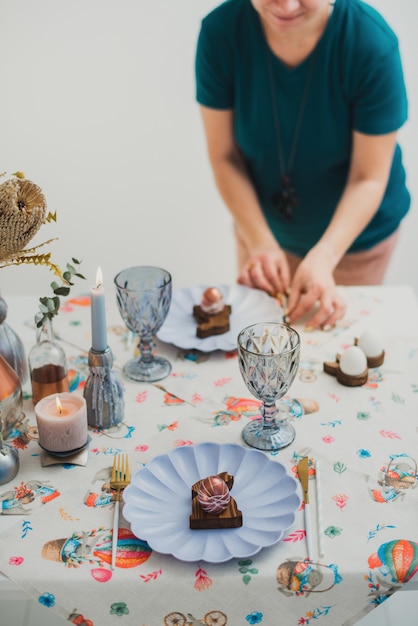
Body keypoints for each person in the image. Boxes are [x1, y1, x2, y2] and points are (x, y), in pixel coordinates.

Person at [195, 0, 410, 328]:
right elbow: (225, 158)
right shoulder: (221, 34)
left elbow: (368, 178)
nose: (287, 6)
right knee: (260, 343)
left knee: (334, 352)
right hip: (260, 232)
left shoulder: (371, 44)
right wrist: (260, 241)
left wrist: (325, 256)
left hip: (353, 245)